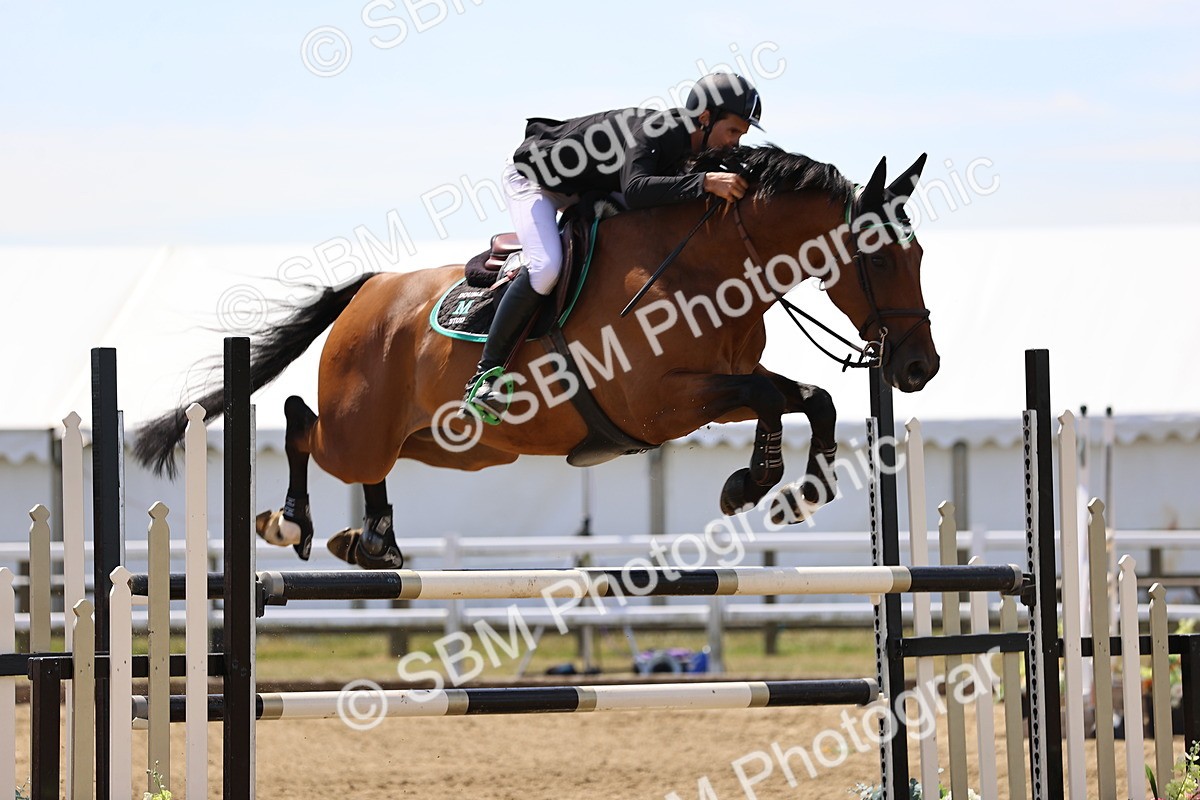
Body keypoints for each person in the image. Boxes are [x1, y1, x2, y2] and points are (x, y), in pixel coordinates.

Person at [462, 72, 764, 422]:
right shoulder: (657, 130)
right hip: (536, 181)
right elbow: (636, 189)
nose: (735, 142)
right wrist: (706, 181)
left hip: (589, 186)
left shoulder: (700, 146)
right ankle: (486, 375)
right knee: (546, 267)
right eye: (733, 131)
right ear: (705, 117)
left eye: (741, 135)